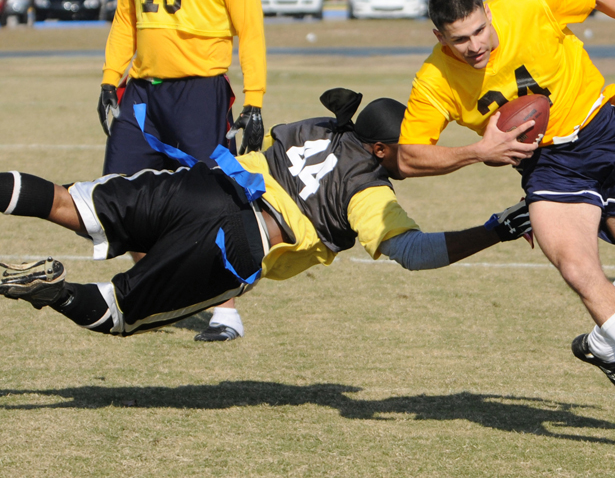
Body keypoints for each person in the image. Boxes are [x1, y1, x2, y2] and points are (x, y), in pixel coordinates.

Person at [398, 0, 615, 413]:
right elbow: (409, 156)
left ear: (489, 12)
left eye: (479, 31)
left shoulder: (529, 0)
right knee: (580, 270)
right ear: (439, 36)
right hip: (548, 166)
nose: (474, 46)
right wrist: (478, 151)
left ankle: (604, 342)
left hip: (605, 134)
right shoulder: (435, 78)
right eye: (459, 40)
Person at [0, 90, 532, 336]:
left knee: (67, 201)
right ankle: (53, 292)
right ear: (378, 150)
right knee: (118, 311)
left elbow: (273, 138)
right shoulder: (369, 192)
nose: (421, 154)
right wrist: (493, 230)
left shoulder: (319, 127)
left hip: (204, 186)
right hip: (241, 237)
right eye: (410, 148)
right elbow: (413, 254)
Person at [96, 0, 267, 341]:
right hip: (144, 93)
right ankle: (162, 291)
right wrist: (111, 78)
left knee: (213, 201)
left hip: (200, 92)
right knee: (118, 194)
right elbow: (125, 19)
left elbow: (250, 30)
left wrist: (253, 98)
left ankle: (226, 310)